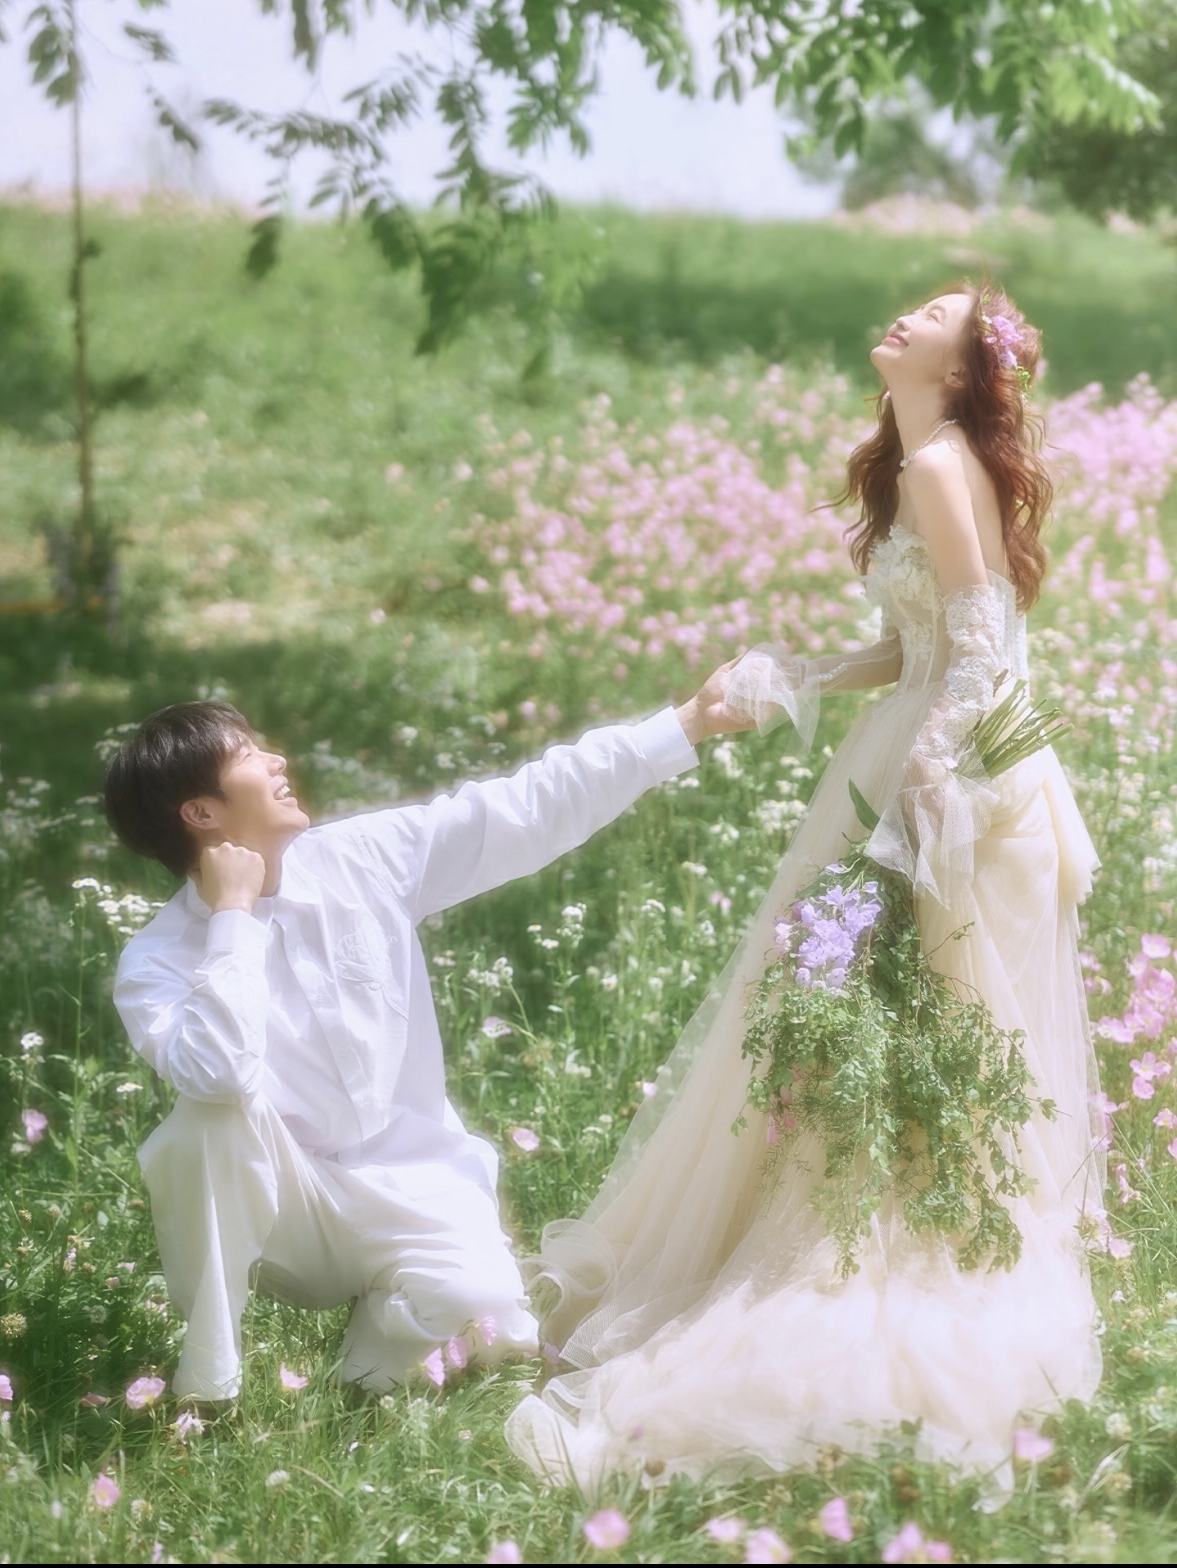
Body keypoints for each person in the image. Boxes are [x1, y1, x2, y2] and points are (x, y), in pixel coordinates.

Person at [506, 282, 1106, 1499]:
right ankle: (855, 1233)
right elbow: (925, 640)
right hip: (938, 744)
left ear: (963, 365)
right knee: (867, 1019)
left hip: (953, 769)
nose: (903, 316)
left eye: (933, 313)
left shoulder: (939, 463)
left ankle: (887, 1268)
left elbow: (981, 647)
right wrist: (804, 670)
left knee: (918, 1020)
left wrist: (923, 786)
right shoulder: (924, 462)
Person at [103, 667, 746, 1403]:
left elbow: (523, 808)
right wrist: (232, 921)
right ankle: (209, 1384)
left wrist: (690, 722)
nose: (277, 760)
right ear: (201, 813)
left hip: (412, 1181)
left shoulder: (359, 858)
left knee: (488, 1314)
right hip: (285, 1205)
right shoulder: (156, 962)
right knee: (203, 1122)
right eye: (248, 755)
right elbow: (217, 1074)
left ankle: (367, 1360)